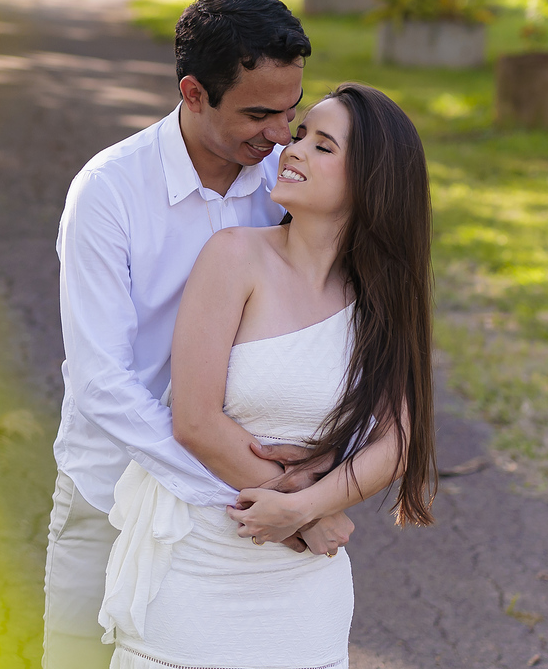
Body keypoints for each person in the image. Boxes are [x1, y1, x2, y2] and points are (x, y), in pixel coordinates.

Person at [45, 0, 354, 669]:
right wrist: (277, 497)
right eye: (259, 114)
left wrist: (313, 490)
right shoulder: (109, 192)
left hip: (244, 517)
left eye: (291, 112)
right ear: (193, 92)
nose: (280, 134)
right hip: (116, 490)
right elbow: (103, 384)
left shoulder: (288, 183)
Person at [99, 83, 438, 669]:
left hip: (306, 595)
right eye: (301, 135)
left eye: (322, 146)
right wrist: (307, 517)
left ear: (372, 182)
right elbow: (196, 421)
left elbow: (397, 440)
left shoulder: (381, 298)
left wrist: (306, 511)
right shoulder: (234, 257)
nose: (293, 150)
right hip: (197, 567)